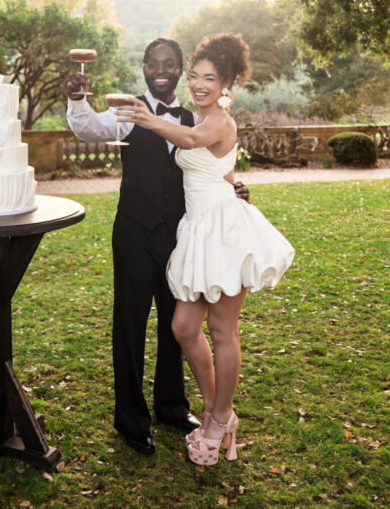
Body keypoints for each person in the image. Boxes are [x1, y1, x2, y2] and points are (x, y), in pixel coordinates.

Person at [63, 38, 250, 455]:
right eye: (154, 63)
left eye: (170, 64)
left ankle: (171, 405)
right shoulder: (126, 110)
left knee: (177, 326)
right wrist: (77, 98)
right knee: (128, 326)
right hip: (132, 231)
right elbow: (87, 127)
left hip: (181, 235)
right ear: (145, 66)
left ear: (178, 68)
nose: (161, 70)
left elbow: (209, 160)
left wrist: (234, 186)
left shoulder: (193, 118)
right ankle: (131, 419)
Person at [115, 33, 295, 466]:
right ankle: (221, 413)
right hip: (195, 229)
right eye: (194, 75)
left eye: (209, 78)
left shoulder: (216, 120)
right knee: (183, 328)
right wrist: (234, 181)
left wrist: (145, 117)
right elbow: (221, 164)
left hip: (223, 230)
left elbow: (193, 144)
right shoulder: (200, 118)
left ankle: (217, 423)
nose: (199, 84)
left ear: (226, 83)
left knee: (221, 331)